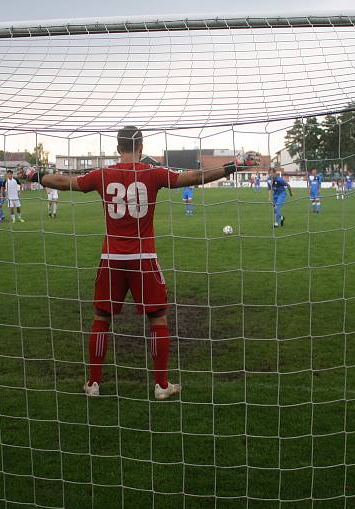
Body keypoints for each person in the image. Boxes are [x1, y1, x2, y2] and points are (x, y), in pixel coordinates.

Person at [18, 126, 242, 399]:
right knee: (157, 318)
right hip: (143, 257)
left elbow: (63, 182)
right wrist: (232, 166)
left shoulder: (102, 175)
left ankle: (93, 383)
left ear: (117, 147)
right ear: (142, 146)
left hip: (110, 258)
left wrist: (35, 174)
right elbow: (195, 176)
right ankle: (161, 386)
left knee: (102, 317)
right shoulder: (153, 173)